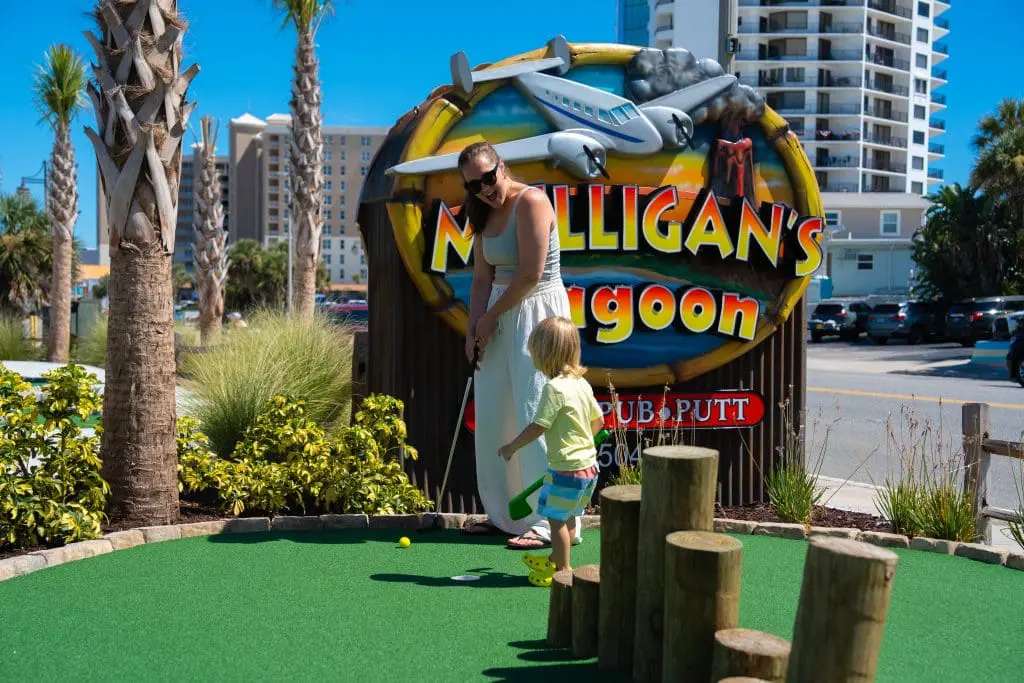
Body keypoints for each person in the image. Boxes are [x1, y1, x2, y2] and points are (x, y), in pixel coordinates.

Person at [457, 140, 580, 550]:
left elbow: (529, 274)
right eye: (475, 185)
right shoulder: (483, 213)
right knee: (496, 412)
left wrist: (489, 319)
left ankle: (553, 521)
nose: (486, 189)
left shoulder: (532, 201)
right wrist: (474, 327)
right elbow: (480, 278)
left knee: (537, 410)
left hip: (538, 314)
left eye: (489, 177)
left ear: (501, 166)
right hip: (498, 314)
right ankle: (508, 515)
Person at [498, 317, 603, 586]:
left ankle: (564, 570)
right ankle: (557, 558)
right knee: (568, 517)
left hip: (566, 469)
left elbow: (538, 426)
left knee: (555, 520)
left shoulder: (554, 388)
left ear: (544, 354)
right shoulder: (582, 384)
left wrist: (512, 447)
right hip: (589, 468)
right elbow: (599, 420)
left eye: (533, 351)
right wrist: (583, 444)